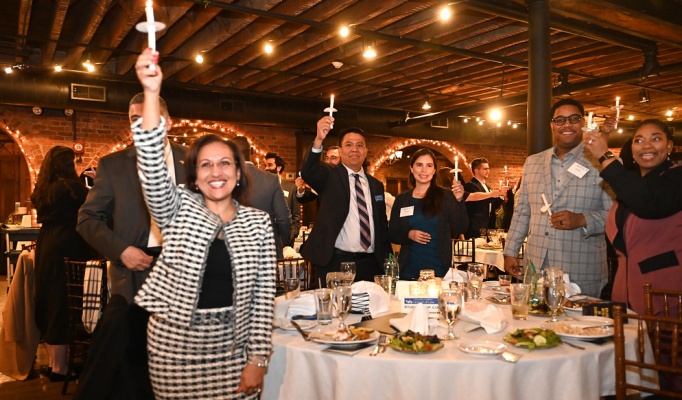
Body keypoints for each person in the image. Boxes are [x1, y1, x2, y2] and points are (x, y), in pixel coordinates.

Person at [131, 48, 275, 398]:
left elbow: (263, 298)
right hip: (174, 347)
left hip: (233, 348)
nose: (216, 172)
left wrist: (258, 359)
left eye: (225, 163)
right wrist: (151, 93)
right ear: (194, 176)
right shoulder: (177, 206)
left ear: (239, 173)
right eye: (206, 165)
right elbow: (150, 166)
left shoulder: (259, 223)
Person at [77, 94, 187, 304]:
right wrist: (121, 250)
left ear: (169, 122)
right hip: (134, 275)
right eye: (136, 119)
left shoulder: (195, 160)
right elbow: (87, 219)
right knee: (134, 336)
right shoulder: (113, 166)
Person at [503, 98, 614, 298]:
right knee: (535, 326)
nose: (567, 125)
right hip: (536, 265)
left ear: (583, 123)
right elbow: (523, 210)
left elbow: (617, 215)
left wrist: (583, 219)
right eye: (560, 120)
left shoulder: (603, 162)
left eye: (573, 119)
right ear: (552, 125)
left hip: (581, 267)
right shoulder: (533, 162)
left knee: (580, 328)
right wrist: (511, 249)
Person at [584, 119, 682, 315]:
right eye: (639, 140)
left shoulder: (677, 177)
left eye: (656, 139)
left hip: (666, 296)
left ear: (669, 145)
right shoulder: (632, 185)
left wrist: (604, 155)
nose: (646, 145)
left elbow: (648, 202)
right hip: (625, 291)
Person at [300, 116, 390, 286]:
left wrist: (387, 260)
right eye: (348, 145)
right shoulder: (329, 176)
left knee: (371, 311)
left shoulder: (375, 185)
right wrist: (319, 139)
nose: (354, 149)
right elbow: (308, 171)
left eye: (359, 145)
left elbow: (381, 225)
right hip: (335, 262)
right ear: (340, 151)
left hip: (370, 263)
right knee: (335, 310)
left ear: (366, 150)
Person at [30, 146, 94, 381]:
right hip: (68, 245)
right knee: (65, 302)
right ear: (67, 164)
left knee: (49, 299)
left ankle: (54, 363)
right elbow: (93, 209)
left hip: (46, 245)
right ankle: (60, 368)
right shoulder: (73, 188)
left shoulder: (43, 189)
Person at [389, 148, 468, 279]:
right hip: (409, 267)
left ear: (434, 170)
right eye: (419, 165)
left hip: (438, 266)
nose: (424, 170)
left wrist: (459, 201)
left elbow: (461, 227)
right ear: (411, 168)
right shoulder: (402, 199)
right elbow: (392, 233)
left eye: (429, 165)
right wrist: (409, 234)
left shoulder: (446, 196)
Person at [233, 136, 291, 259]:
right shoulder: (271, 179)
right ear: (251, 153)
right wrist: (285, 242)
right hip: (267, 248)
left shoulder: (223, 180)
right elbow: (284, 218)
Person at [264, 152, 300, 245]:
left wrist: (293, 233)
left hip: (286, 238)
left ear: (279, 168)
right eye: (265, 165)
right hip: (267, 238)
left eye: (270, 165)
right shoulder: (261, 187)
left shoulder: (291, 188)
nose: (266, 168)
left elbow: (295, 214)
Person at [463, 158, 503, 238]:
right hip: (476, 226)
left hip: (488, 225)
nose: (488, 171)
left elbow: (492, 205)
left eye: (488, 169)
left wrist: (501, 196)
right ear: (476, 170)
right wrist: (492, 194)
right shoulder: (470, 185)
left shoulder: (487, 186)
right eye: (485, 169)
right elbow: (479, 202)